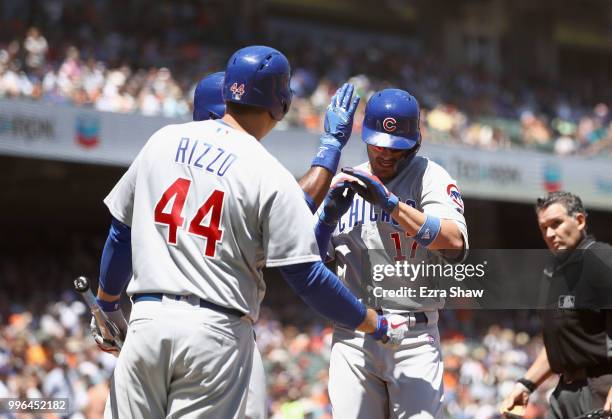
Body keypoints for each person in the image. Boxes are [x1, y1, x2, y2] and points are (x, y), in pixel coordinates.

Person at [91, 45, 400, 419]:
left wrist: (107, 307)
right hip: (214, 334)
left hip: (146, 324)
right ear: (282, 103)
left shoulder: (163, 140)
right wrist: (371, 321)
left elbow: (120, 234)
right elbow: (307, 275)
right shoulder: (266, 170)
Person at [315, 88, 468, 418]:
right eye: (377, 144)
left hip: (414, 335)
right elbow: (306, 258)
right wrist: (326, 219)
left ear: (414, 143)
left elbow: (455, 242)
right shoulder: (347, 181)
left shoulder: (430, 176)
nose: (384, 154)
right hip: (353, 332)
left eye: (394, 147)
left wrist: (391, 205)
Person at [501, 191, 612, 418]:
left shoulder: (602, 259)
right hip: (564, 393)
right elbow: (558, 344)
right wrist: (526, 383)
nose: (550, 234)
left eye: (556, 223)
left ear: (580, 221)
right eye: (544, 228)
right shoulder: (551, 272)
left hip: (602, 387)